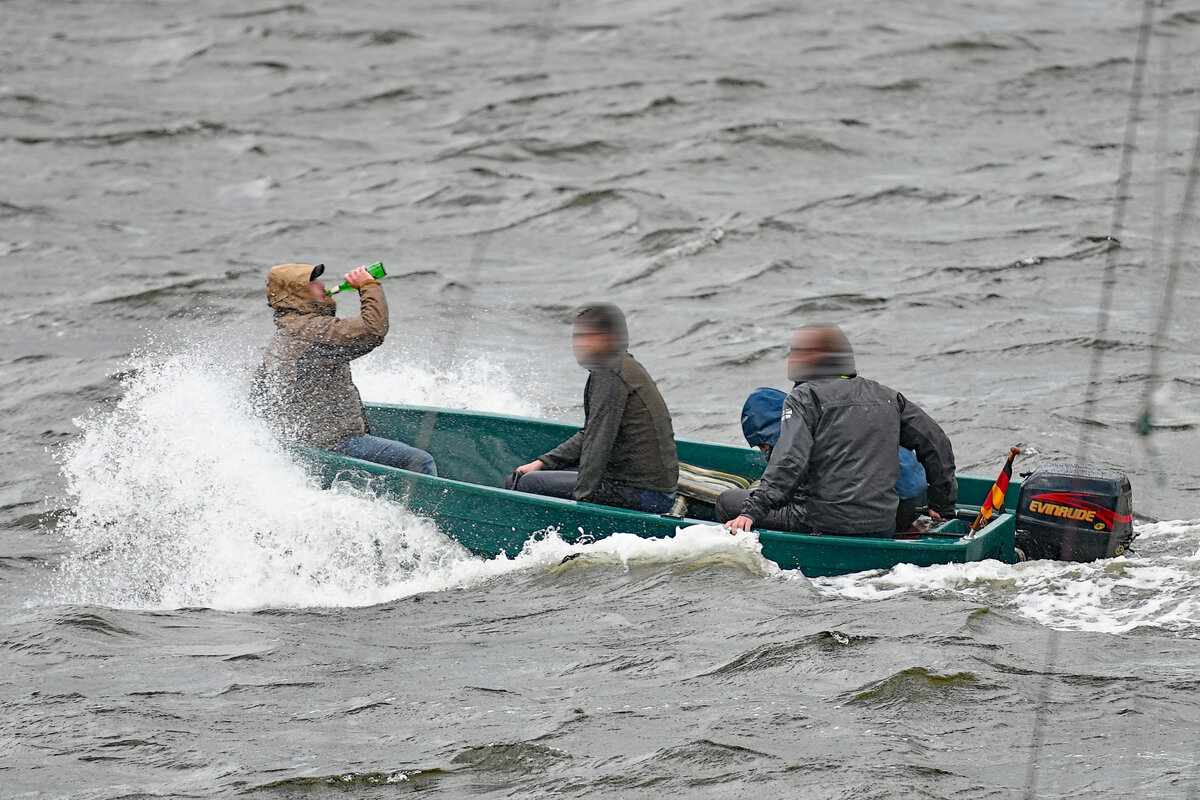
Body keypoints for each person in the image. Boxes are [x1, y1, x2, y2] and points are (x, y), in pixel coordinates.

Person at [719, 324, 956, 537]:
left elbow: (790, 459)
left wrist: (752, 511)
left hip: (822, 523)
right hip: (882, 524)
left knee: (727, 502)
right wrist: (942, 505)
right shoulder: (887, 396)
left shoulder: (804, 398)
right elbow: (936, 443)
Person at [254, 262, 437, 475]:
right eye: (313, 283)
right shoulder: (308, 331)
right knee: (420, 461)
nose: (322, 285)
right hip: (332, 444)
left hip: (311, 443)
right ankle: (421, 509)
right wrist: (368, 284)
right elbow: (372, 330)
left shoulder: (289, 333)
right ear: (297, 294)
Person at [511, 303, 678, 513]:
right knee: (530, 476)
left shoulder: (608, 371)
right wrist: (543, 463)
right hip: (652, 489)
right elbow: (589, 433)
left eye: (586, 337)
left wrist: (582, 505)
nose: (578, 345)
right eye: (576, 337)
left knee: (526, 484)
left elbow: (598, 443)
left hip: (646, 495)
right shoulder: (621, 364)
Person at [736, 387, 929, 531]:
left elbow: (787, 477)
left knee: (726, 503)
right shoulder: (842, 417)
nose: (763, 452)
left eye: (763, 446)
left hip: (875, 513)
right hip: (915, 499)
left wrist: (751, 511)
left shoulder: (794, 438)